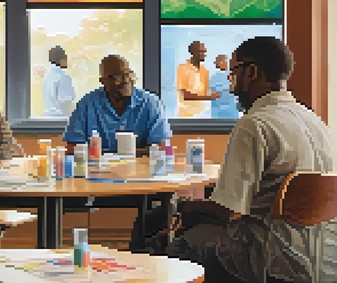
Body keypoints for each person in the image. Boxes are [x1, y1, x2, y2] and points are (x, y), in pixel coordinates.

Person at [137, 37, 336, 282]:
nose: (231, 83)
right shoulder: (315, 121)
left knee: (178, 244)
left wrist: (184, 206)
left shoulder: (254, 124)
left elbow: (229, 211)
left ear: (251, 72)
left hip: (269, 255)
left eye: (234, 72)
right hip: (321, 256)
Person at [63, 55, 172, 157]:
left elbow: (161, 148)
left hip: (140, 173)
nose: (126, 80)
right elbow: (73, 149)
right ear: (103, 81)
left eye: (129, 74)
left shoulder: (150, 103)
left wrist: (116, 156)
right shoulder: (86, 105)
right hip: (98, 172)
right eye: (118, 77)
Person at [176, 41, 220, 118]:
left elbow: (204, 92)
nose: (204, 54)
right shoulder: (182, 69)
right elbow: (185, 96)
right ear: (192, 52)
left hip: (204, 114)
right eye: (201, 51)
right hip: (186, 116)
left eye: (204, 52)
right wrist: (209, 97)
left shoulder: (205, 71)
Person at [42, 45, 75, 116]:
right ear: (62, 60)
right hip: (61, 119)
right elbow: (66, 104)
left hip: (48, 118)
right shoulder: (63, 77)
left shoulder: (47, 76)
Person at [209, 54, 240, 119]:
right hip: (218, 110)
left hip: (231, 109)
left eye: (220, 61)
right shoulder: (214, 77)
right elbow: (211, 93)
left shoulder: (233, 75)